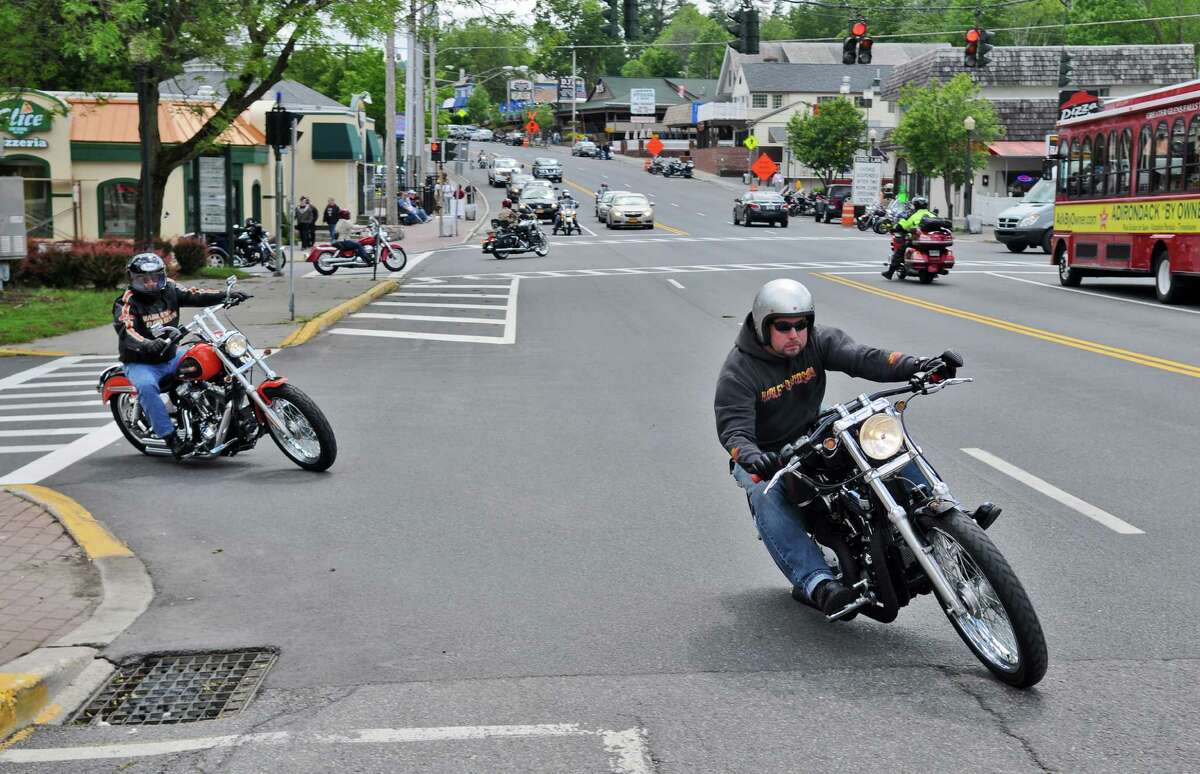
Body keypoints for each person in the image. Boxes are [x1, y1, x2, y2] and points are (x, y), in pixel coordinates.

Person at [714, 279, 958, 617]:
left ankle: (944, 511)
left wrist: (919, 366)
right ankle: (818, 582)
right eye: (783, 327)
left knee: (882, 440)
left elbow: (864, 358)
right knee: (764, 494)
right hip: (769, 455)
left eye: (801, 325)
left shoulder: (819, 342)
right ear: (762, 325)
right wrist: (755, 458)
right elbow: (734, 430)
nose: (794, 334)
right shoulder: (740, 371)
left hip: (814, 432)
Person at [114, 253, 246, 460]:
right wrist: (148, 343)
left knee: (214, 354)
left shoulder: (170, 288)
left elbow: (195, 294)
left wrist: (226, 295)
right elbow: (127, 330)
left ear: (162, 276)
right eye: (143, 279)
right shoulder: (126, 302)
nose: (150, 283)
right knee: (147, 388)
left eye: (154, 278)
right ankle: (170, 438)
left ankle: (229, 410)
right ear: (132, 279)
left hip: (172, 354)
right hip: (142, 362)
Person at [883, 196, 934, 279]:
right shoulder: (932, 215)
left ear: (916, 206)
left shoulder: (914, 215)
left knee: (899, 252)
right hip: (932, 241)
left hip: (918, 241)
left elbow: (903, 226)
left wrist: (895, 228)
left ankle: (890, 273)